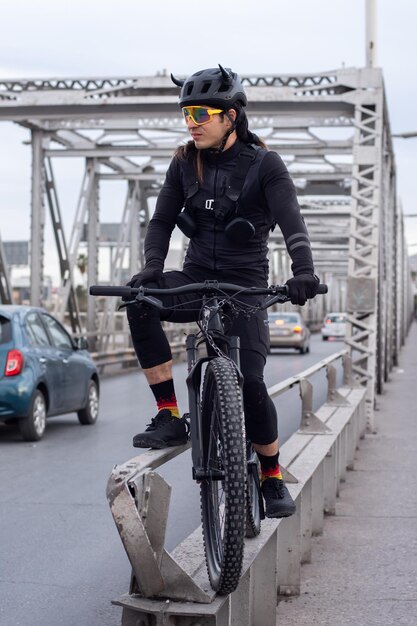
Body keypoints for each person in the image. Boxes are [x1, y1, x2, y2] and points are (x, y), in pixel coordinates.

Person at [125, 65, 319, 518]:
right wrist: (153, 268)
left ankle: (271, 476)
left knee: (250, 382)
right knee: (138, 301)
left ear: (230, 116)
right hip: (194, 278)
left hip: (244, 287)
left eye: (200, 113)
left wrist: (303, 271)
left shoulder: (265, 165)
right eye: (186, 113)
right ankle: (170, 416)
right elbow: (160, 221)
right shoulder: (182, 162)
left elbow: (292, 220)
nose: (191, 121)